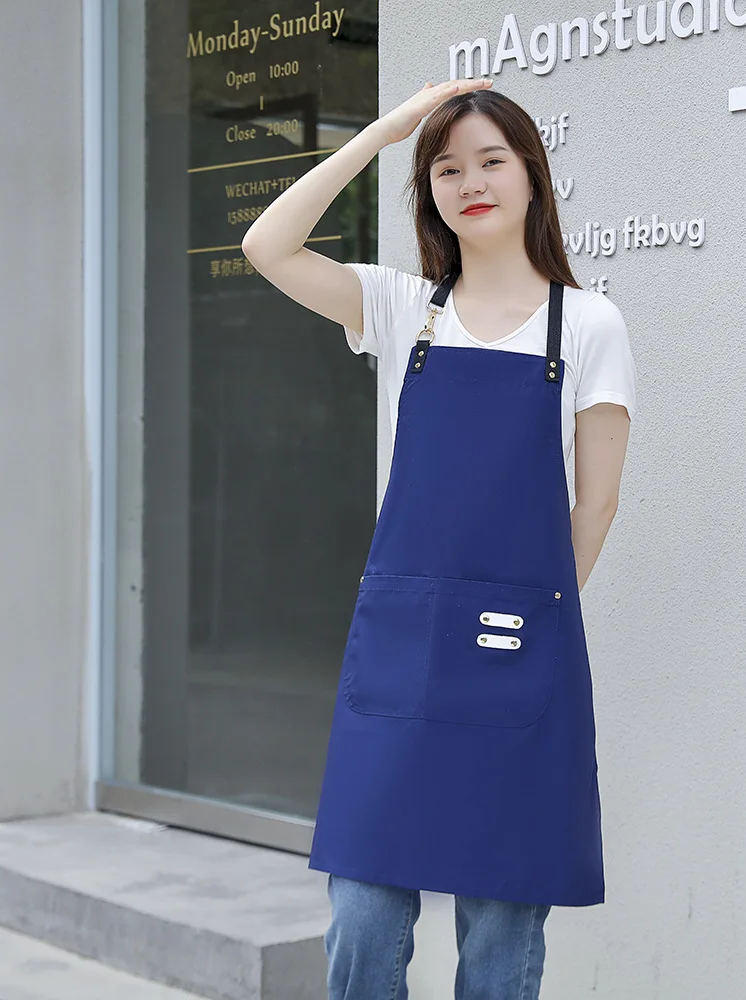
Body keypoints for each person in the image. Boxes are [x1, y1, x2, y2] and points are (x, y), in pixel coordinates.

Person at [242, 78, 636, 1000]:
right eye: (448, 169)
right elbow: (268, 246)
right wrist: (384, 133)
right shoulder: (402, 308)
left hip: (516, 656)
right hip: (402, 655)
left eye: (492, 161)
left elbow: (597, 505)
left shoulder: (588, 325)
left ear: (532, 176)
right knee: (363, 914)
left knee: (500, 930)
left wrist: (528, 625)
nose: (472, 183)